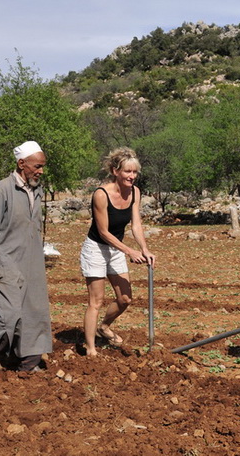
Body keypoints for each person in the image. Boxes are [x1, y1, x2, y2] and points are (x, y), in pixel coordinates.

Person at [0, 140, 52, 373]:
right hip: (5, 261)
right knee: (10, 313)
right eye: (37, 166)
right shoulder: (2, 189)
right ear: (21, 163)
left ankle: (28, 363)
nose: (40, 171)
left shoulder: (36, 190)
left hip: (32, 261)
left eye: (42, 167)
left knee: (35, 311)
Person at [81, 147, 155, 356]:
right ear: (115, 171)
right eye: (127, 172)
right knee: (96, 300)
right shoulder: (101, 194)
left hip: (116, 249)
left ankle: (103, 327)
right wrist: (129, 251)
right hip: (96, 247)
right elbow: (103, 232)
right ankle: (91, 348)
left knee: (125, 299)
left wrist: (144, 249)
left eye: (135, 172)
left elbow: (136, 225)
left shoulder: (135, 193)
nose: (132, 177)